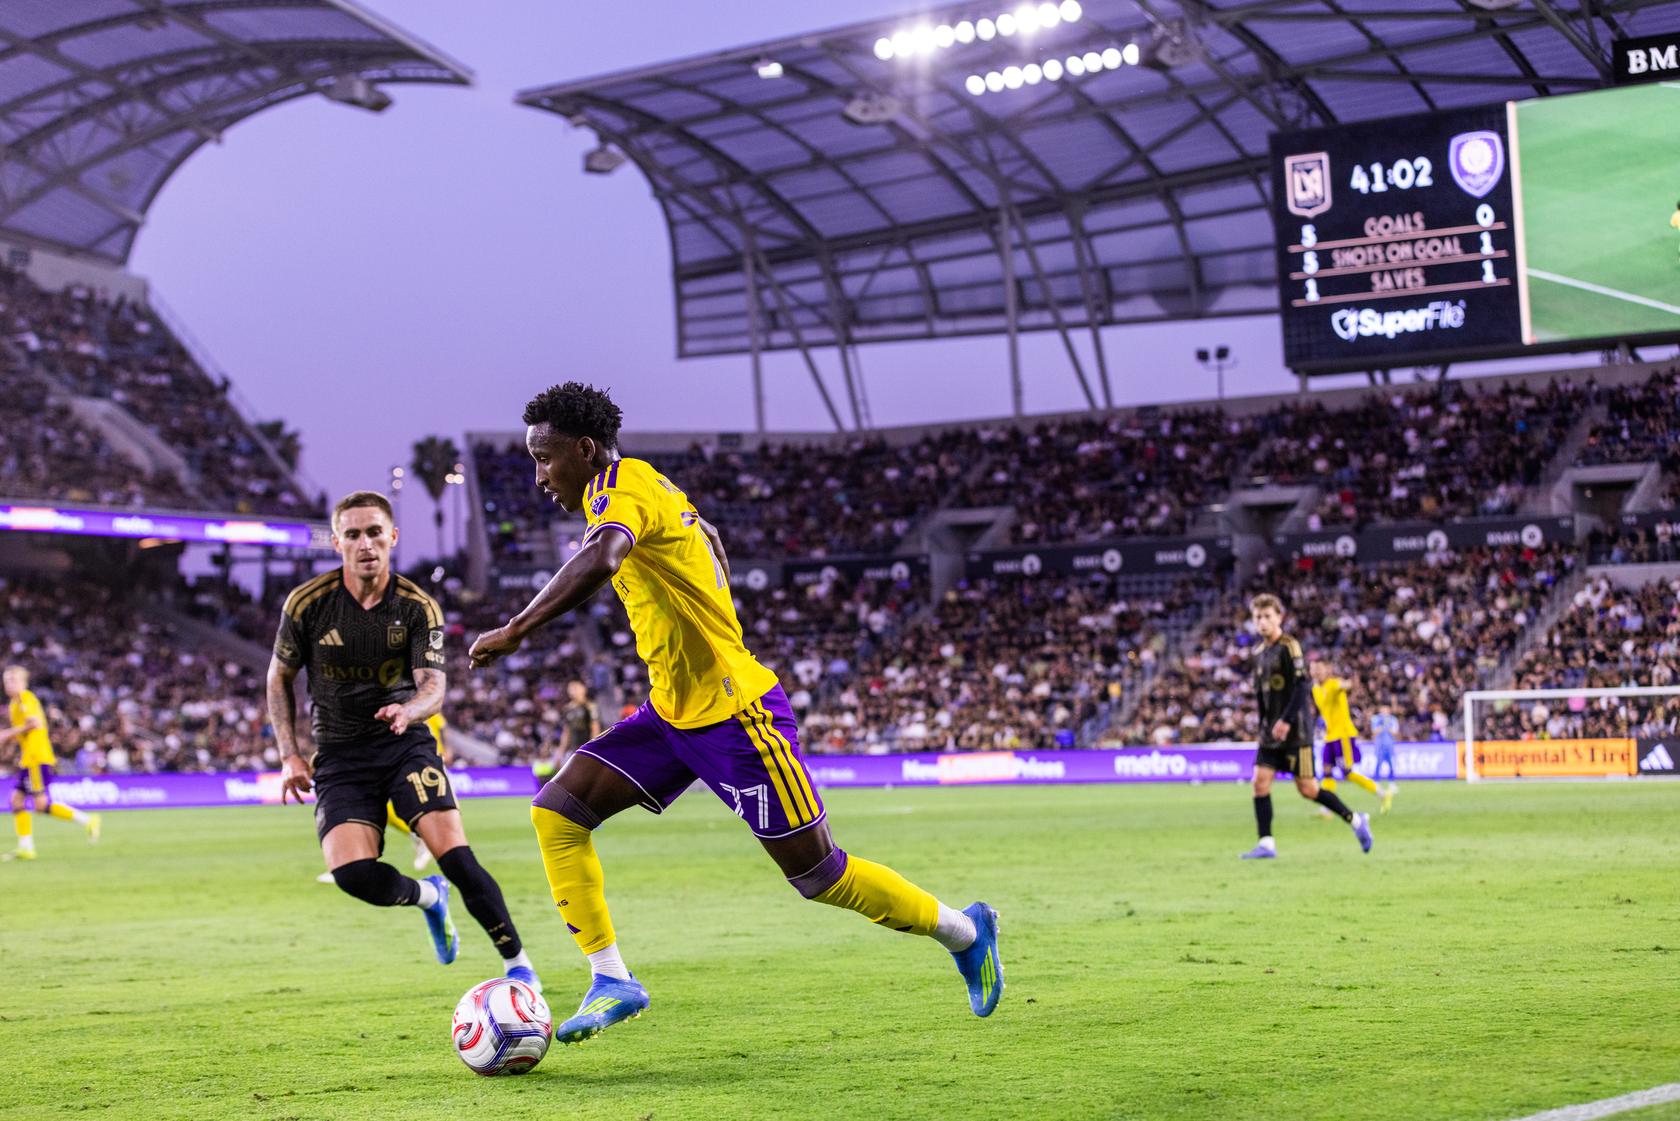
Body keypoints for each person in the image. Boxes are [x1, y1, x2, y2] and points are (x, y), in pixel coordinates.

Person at [470, 382, 1001, 1044]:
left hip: (736, 715)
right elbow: (705, 534)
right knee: (558, 811)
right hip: (671, 714)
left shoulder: (618, 486)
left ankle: (966, 930)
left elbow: (603, 556)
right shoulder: (643, 486)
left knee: (820, 875)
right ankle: (612, 978)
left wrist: (516, 628)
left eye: (544, 458)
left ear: (584, 449)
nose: (539, 476)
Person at [269, 491, 540, 990]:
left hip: (403, 745)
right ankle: (428, 898)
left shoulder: (417, 607)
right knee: (353, 874)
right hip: (339, 755)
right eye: (353, 534)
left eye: (374, 532)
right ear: (337, 542)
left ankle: (519, 966)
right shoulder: (308, 605)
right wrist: (289, 754)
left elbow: (434, 688)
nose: (365, 543)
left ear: (392, 536)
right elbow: (278, 677)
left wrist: (409, 710)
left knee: (457, 857)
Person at [1240, 595, 1372, 860]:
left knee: (1308, 789)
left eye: (1267, 616)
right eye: (1258, 617)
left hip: (1296, 732)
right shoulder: (1258, 654)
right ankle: (1266, 843)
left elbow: (1302, 686)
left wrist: (1286, 720)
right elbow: (1261, 695)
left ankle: (1356, 820)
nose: (1263, 622)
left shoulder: (1290, 646)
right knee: (1259, 782)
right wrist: (1264, 725)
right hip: (1270, 733)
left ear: (1279, 617)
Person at [314, 710, 445, 884]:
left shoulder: (420, 707)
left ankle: (350, 862)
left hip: (418, 757)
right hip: (395, 756)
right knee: (372, 810)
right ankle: (348, 862)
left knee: (382, 808)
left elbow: (439, 728)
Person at [1, 665, 99, 860]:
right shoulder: (13, 704)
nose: (9, 684)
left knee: (40, 804)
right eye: (6, 681)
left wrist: (6, 734)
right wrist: (9, 740)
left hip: (37, 758)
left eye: (13, 680)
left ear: (23, 683)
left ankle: (88, 819)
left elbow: (34, 723)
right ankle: (26, 848)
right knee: (16, 800)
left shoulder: (25, 698)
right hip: (28, 759)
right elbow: (23, 732)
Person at [1308, 655, 1385, 809]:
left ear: (1327, 670)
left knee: (1347, 772)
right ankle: (1328, 807)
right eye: (1313, 669)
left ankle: (1381, 792)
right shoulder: (1315, 689)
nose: (1316, 672)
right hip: (1330, 736)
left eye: (1319, 669)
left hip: (1342, 734)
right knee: (1326, 770)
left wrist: (1350, 683)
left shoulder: (1334, 684)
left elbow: (1345, 685)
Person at [557, 680, 600, 767]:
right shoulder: (567, 709)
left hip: (586, 749)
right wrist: (560, 752)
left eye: (575, 687)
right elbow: (566, 732)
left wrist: (592, 749)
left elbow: (595, 728)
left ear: (583, 689)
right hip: (573, 749)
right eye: (570, 688)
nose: (572, 691)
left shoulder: (590, 706)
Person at [1370, 703, 1400, 812]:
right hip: (1379, 746)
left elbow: (1395, 733)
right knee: (1378, 765)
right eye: (1383, 709)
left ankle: (1392, 784)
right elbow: (1374, 732)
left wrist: (1388, 727)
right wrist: (1382, 726)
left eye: (1386, 709)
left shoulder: (1393, 719)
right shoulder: (1375, 719)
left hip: (1389, 746)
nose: (1384, 711)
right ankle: (1376, 784)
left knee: (1391, 765)